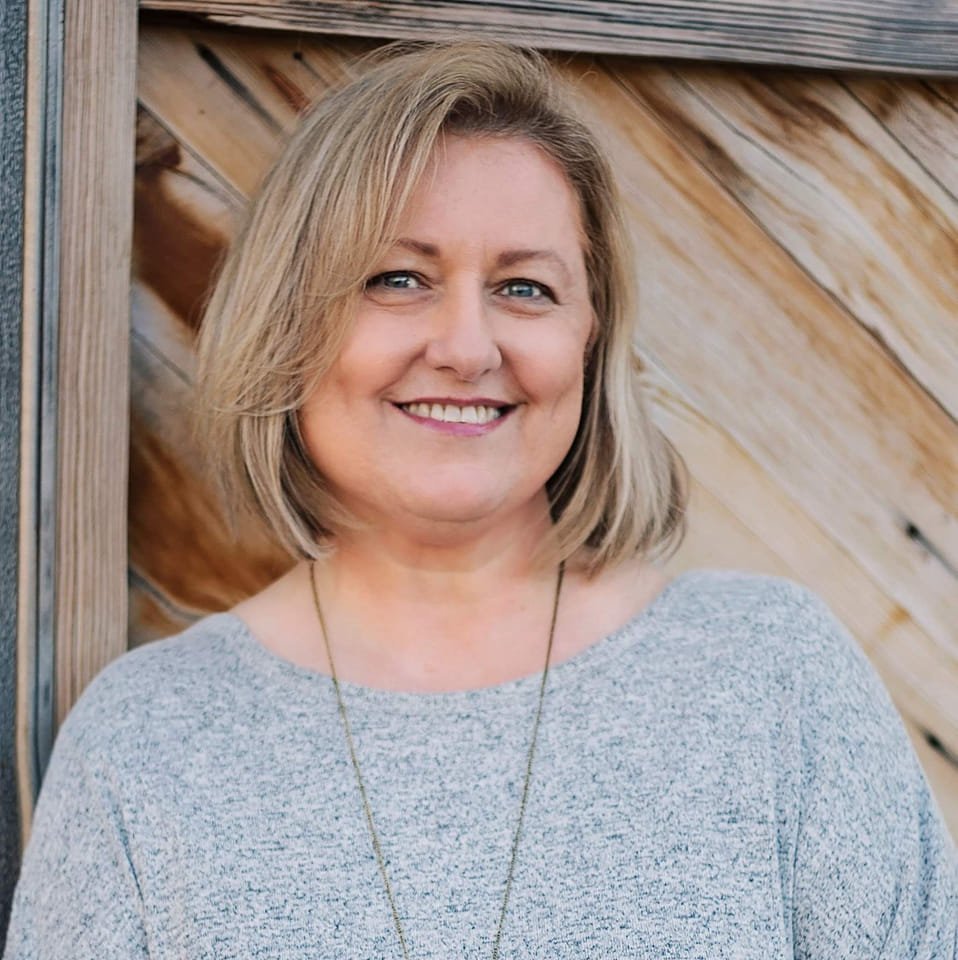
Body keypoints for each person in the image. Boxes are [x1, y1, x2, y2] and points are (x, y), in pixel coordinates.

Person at [4, 38, 956, 960]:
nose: (467, 345)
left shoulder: (772, 679)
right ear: (290, 325)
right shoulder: (149, 741)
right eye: (398, 278)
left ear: (590, 336)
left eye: (526, 287)